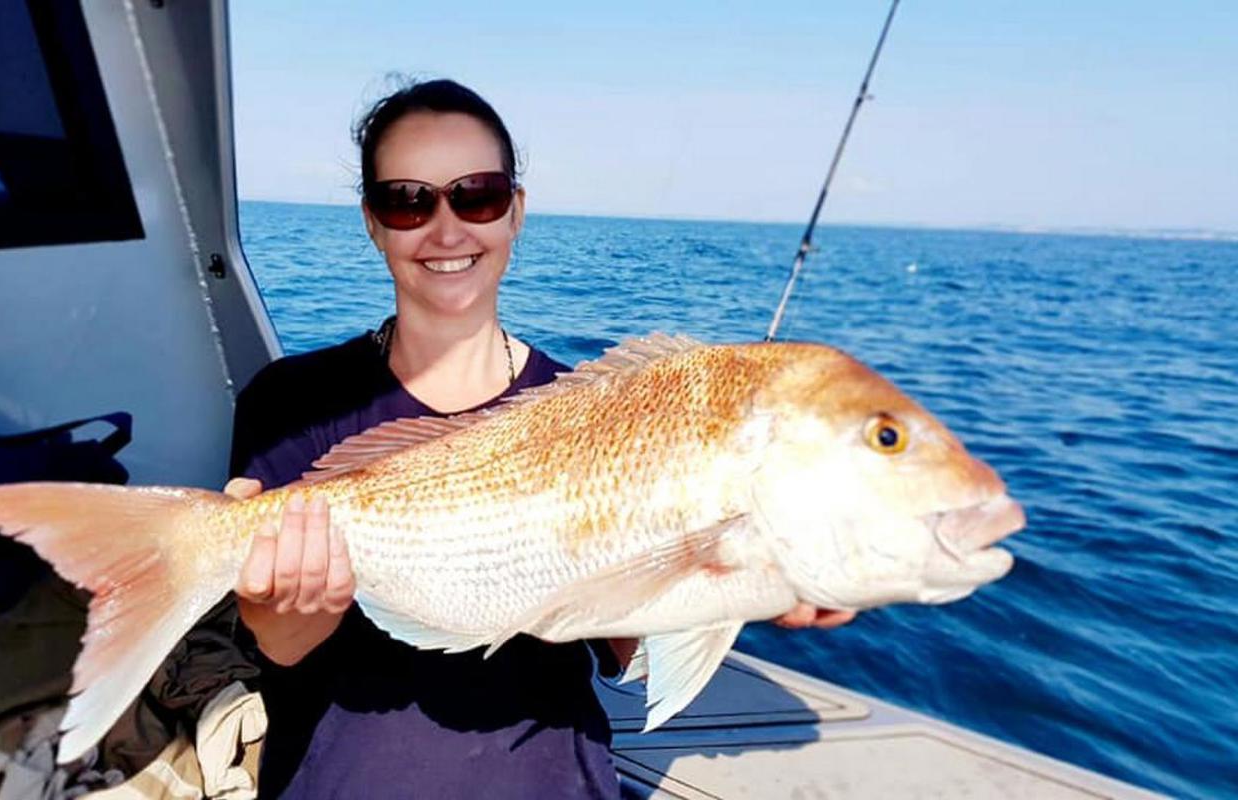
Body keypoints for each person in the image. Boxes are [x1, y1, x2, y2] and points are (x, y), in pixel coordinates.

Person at [224, 78, 853, 799]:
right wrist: (287, 607)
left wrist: (743, 580)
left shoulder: (604, 411)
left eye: (478, 194)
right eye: (408, 200)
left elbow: (625, 641)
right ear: (373, 222)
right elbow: (278, 645)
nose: (447, 229)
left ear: (515, 211)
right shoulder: (293, 401)